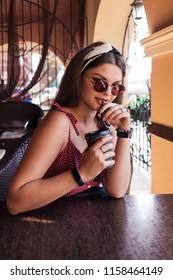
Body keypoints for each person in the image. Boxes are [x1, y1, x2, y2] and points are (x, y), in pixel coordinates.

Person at [7, 41, 132, 215]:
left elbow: (117, 190)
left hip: (84, 223)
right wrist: (81, 174)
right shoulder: (60, 123)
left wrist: (124, 132)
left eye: (115, 87)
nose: (107, 93)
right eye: (99, 82)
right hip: (47, 225)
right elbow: (15, 201)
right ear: (78, 76)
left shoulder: (106, 124)